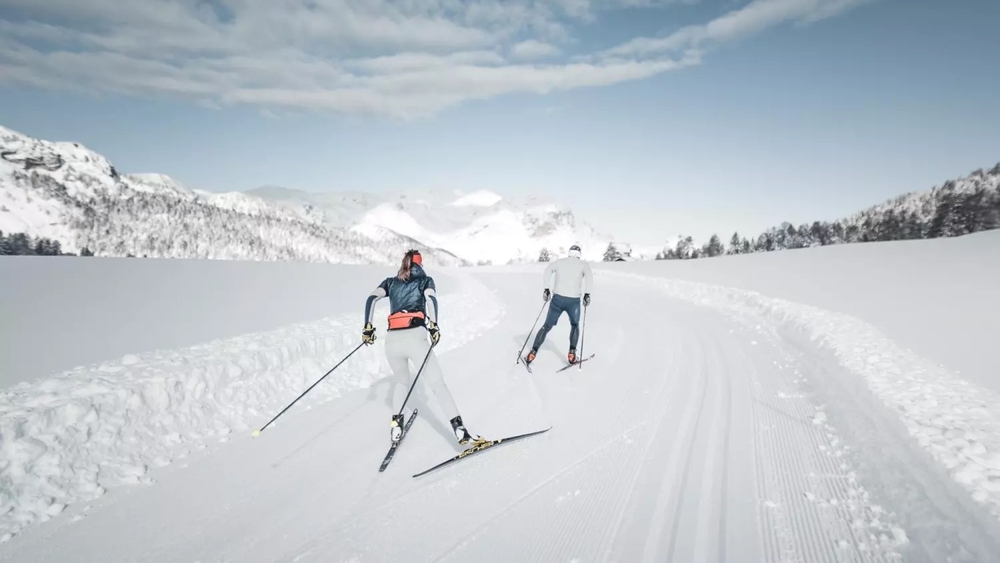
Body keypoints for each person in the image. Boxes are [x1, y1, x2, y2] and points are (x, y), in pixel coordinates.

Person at [362, 249, 480, 446]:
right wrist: (434, 325)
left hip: (391, 342)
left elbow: (371, 299)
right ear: (420, 264)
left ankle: (396, 428)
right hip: (415, 338)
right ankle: (460, 431)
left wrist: (367, 327)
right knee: (437, 384)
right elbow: (431, 300)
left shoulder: (390, 282)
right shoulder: (426, 281)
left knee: (401, 382)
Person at [524, 244, 593, 367]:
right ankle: (572, 353)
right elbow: (589, 278)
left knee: (546, 326)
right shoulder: (583, 265)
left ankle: (533, 352)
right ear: (579, 254)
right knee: (575, 325)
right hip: (574, 302)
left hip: (558, 300)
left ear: (569, 253)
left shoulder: (559, 262)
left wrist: (546, 289)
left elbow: (547, 271)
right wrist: (587, 294)